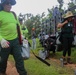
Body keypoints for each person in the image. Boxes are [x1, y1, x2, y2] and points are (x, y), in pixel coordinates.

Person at [0, 0, 27, 75]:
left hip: (15, 40)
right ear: (3, 5)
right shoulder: (0, 14)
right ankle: (2, 72)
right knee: (3, 59)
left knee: (19, 58)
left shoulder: (14, 14)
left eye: (10, 3)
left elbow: (18, 26)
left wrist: (21, 35)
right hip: (5, 42)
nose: (9, 5)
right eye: (7, 3)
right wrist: (1, 39)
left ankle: (23, 73)